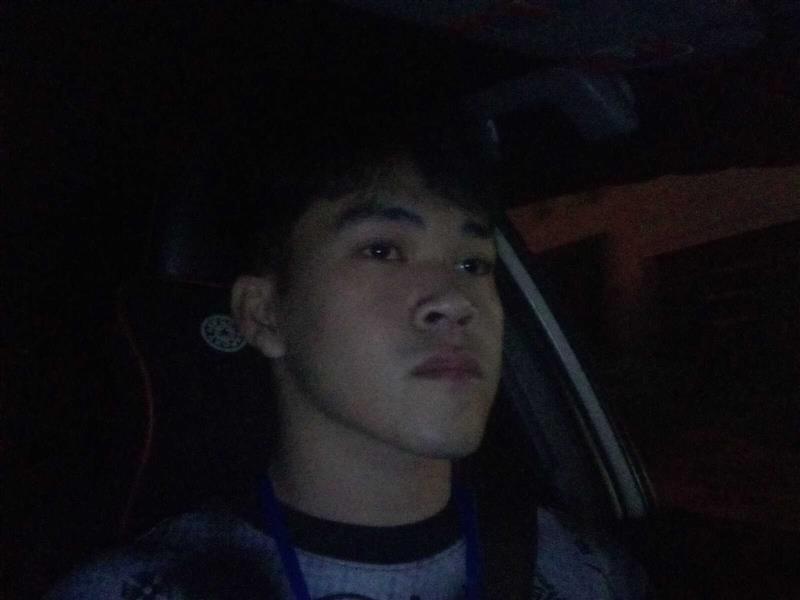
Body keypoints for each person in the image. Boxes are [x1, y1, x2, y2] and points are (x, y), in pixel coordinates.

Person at [47, 104, 648, 599]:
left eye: (473, 263)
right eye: (382, 250)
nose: (454, 300)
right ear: (264, 314)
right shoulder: (144, 588)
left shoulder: (584, 571)